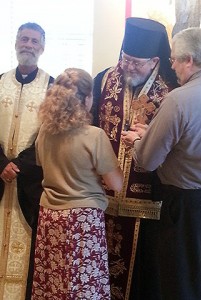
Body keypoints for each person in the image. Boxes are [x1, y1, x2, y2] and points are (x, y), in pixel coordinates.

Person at [122, 27, 201, 300]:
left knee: (179, 283)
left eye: (175, 60)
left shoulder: (179, 99)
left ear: (189, 60)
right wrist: (151, 134)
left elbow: (148, 160)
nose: (174, 67)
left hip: (185, 206)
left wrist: (136, 140)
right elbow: (196, 142)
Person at [92, 17, 178, 299]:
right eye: (125, 59)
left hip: (148, 203)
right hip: (101, 198)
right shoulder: (104, 79)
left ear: (154, 61)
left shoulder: (172, 92)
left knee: (142, 277)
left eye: (135, 63)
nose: (127, 67)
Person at [31, 68, 123, 299]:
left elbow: (42, 164)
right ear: (87, 98)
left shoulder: (44, 131)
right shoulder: (94, 135)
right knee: (83, 284)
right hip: (82, 220)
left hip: (50, 216)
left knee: (53, 281)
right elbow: (116, 184)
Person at [0, 22, 54, 299]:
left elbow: (49, 136)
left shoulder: (52, 87)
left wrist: (17, 166)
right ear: (16, 42)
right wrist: (1, 164)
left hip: (29, 184)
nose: (28, 45)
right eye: (24, 39)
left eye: (34, 41)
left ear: (42, 47)